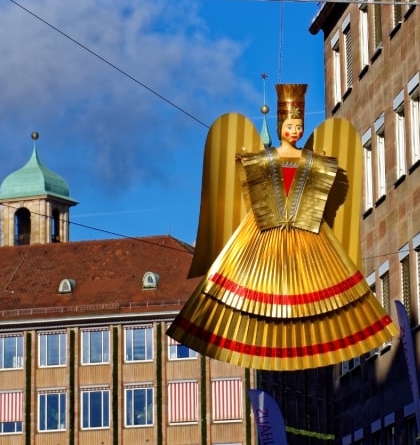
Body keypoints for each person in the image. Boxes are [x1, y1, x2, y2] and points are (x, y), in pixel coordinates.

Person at [168, 84, 397, 371]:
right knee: (250, 296)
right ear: (280, 126)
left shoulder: (318, 161)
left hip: (311, 236)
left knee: (326, 297)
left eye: (299, 125)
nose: (295, 130)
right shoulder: (260, 160)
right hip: (261, 236)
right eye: (290, 125)